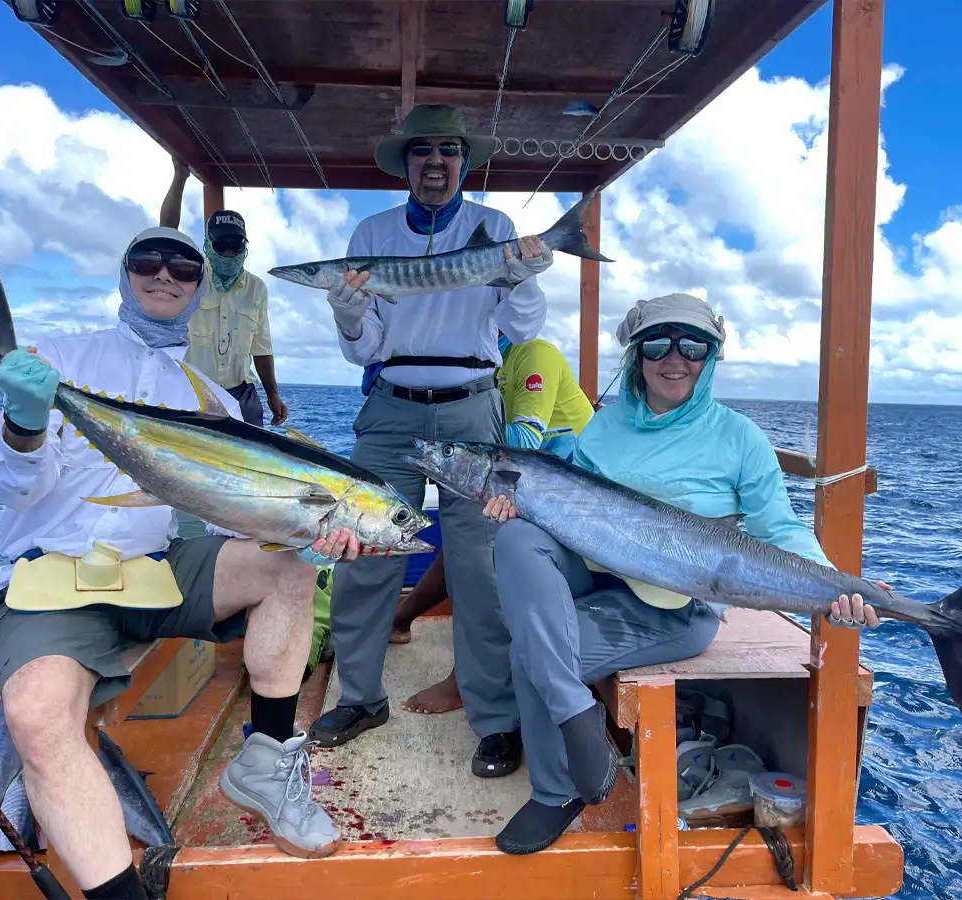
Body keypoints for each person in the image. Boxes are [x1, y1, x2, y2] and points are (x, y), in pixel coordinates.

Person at [0, 226, 353, 899]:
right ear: (124, 274)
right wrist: (27, 422)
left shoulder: (210, 397)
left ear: (200, 287)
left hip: (155, 568)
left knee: (289, 571)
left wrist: (301, 529)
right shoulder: (57, 359)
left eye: (183, 267)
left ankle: (266, 763)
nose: (164, 275)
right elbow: (17, 488)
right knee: (35, 714)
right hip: (50, 577)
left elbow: (228, 519)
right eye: (147, 261)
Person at [479, 292, 886, 855]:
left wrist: (835, 584)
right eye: (657, 345)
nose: (675, 359)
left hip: (676, 605)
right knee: (516, 537)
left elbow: (780, 528)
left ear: (711, 356)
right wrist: (521, 505)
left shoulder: (739, 437)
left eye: (693, 346)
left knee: (533, 654)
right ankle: (576, 715)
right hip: (600, 577)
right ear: (637, 355)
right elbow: (570, 512)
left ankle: (555, 791)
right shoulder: (604, 426)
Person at [308, 104, 551, 780]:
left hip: (473, 408)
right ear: (407, 163)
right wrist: (347, 312)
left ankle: (493, 715)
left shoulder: (493, 227)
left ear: (464, 162)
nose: (436, 162)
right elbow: (367, 349)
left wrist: (522, 275)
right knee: (366, 556)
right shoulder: (372, 232)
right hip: (391, 408)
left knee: (481, 568)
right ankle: (360, 698)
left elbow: (521, 326)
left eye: (449, 149)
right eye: (423, 150)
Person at [390, 333, 595, 715]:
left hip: (571, 498)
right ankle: (400, 620)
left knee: (485, 548)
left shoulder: (535, 355)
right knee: (462, 543)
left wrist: (455, 447)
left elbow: (525, 439)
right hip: (525, 490)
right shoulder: (487, 365)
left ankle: (462, 678)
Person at [159, 157, 288, 428]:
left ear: (245, 247)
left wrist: (273, 394)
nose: (229, 253)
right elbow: (166, 236)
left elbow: (261, 347)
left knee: (252, 455)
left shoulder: (256, 288)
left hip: (242, 395)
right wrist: (180, 176)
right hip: (190, 393)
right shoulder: (189, 276)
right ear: (207, 245)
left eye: (236, 245)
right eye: (221, 245)